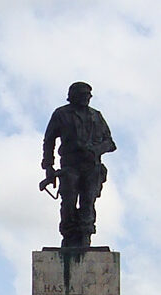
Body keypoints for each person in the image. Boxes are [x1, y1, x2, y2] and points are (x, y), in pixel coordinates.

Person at [40, 81, 117, 249]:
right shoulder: (61, 114)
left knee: (88, 201)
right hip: (70, 165)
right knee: (68, 201)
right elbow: (49, 141)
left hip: (92, 166)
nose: (87, 98)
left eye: (88, 95)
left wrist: (96, 150)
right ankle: (68, 236)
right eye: (83, 94)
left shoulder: (96, 116)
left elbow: (110, 143)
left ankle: (85, 236)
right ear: (73, 96)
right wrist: (48, 167)